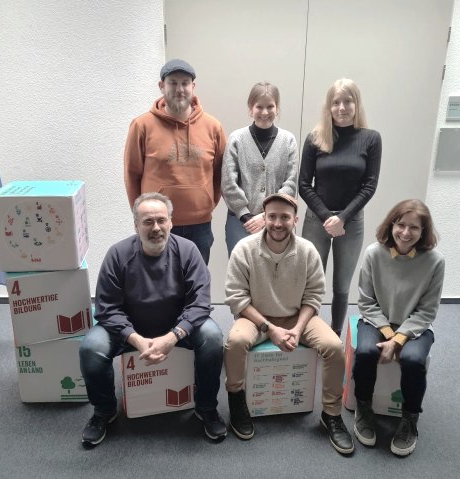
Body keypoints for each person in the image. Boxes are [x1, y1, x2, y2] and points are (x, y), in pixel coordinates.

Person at [79, 192, 226, 446]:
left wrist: (173, 336)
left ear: (171, 221)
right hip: (130, 330)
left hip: (177, 327)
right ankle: (104, 410)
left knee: (212, 337)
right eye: (148, 222)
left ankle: (206, 407)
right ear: (136, 225)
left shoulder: (188, 251)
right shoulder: (117, 254)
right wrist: (134, 339)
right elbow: (106, 308)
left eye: (161, 220)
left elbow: (200, 303)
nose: (156, 228)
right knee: (91, 348)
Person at [224, 192, 354, 455]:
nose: (277, 223)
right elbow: (237, 297)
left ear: (295, 220)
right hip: (256, 317)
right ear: (264, 218)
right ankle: (237, 399)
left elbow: (314, 295)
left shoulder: (307, 251)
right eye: (272, 216)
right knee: (234, 342)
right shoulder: (244, 249)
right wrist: (269, 329)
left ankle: (331, 414)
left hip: (298, 317)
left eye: (285, 217)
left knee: (333, 346)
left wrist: (296, 328)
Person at [353, 199, 444, 456]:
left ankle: (410, 418)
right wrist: (389, 334)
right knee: (365, 353)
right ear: (391, 224)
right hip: (376, 320)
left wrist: (400, 339)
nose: (405, 233)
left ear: (423, 231)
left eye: (414, 228)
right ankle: (363, 407)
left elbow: (427, 311)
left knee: (415, 360)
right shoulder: (373, 253)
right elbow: (366, 302)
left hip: (415, 326)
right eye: (400, 224)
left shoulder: (435, 262)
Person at [298, 78, 382, 336]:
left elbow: (369, 186)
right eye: (336, 102)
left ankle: (334, 336)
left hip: (351, 222)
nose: (342, 107)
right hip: (316, 220)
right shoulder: (315, 138)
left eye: (348, 101)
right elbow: (303, 184)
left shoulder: (371, 139)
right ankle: (307, 332)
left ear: (357, 104)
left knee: (342, 286)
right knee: (310, 283)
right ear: (329, 106)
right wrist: (327, 217)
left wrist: (342, 218)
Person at [124, 59, 226, 264]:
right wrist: (142, 215)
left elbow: (220, 174)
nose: (179, 89)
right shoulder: (142, 126)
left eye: (185, 83)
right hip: (157, 225)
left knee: (194, 284)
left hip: (200, 226)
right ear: (162, 86)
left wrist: (205, 203)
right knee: (156, 283)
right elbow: (132, 174)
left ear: (193, 87)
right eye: (173, 82)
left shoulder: (212, 127)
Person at [221, 81, 298, 256]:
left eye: (270, 106)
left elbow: (290, 183)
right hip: (240, 223)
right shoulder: (237, 139)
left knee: (274, 275)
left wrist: (266, 216)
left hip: (276, 223)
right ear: (250, 108)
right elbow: (228, 182)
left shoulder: (288, 141)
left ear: (277, 108)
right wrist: (245, 215)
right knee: (241, 276)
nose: (265, 112)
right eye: (259, 107)